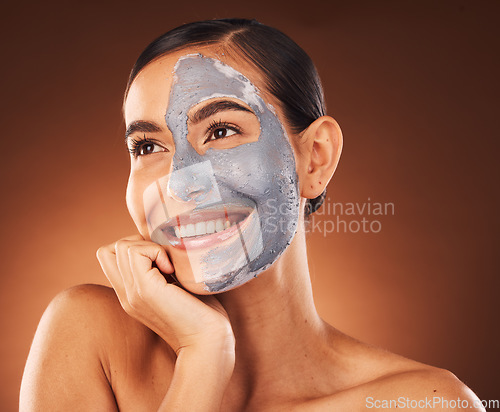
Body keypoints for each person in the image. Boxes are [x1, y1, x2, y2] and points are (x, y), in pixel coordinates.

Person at [20, 18, 483, 411]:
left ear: (315, 158)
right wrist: (204, 356)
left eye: (221, 130)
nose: (180, 182)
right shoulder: (88, 335)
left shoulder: (428, 401)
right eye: (148, 146)